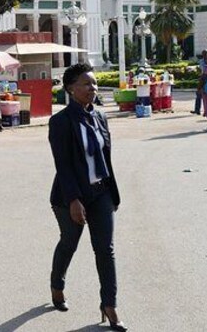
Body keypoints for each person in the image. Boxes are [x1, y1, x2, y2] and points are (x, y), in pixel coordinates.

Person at [48, 62, 126, 331]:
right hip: (71, 196)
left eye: (93, 83)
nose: (92, 88)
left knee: (106, 249)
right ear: (70, 88)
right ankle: (57, 285)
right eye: (85, 84)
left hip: (101, 192)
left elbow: (105, 156)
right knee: (69, 243)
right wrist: (73, 200)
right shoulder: (60, 122)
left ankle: (109, 305)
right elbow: (63, 164)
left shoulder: (100, 117)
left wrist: (111, 194)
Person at [191, 50, 207, 115]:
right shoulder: (201, 61)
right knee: (198, 94)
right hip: (202, 78)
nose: (204, 55)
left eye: (206, 54)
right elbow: (200, 69)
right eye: (203, 53)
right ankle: (197, 110)